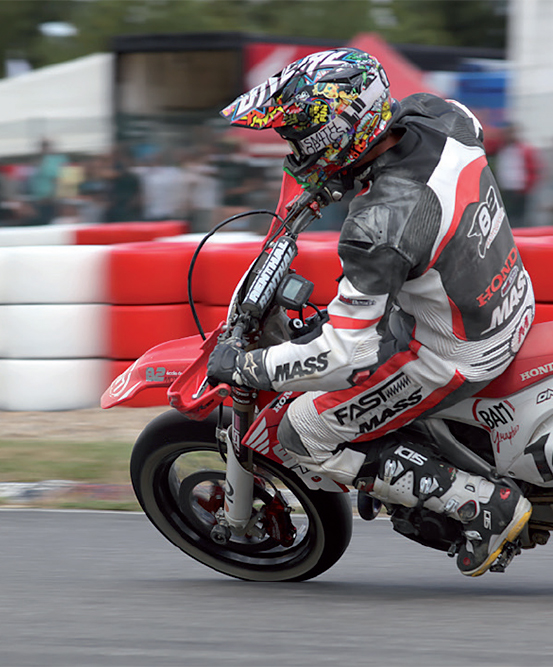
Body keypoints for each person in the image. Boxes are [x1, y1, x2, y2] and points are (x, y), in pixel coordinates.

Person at [208, 48, 536, 577]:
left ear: (333, 132)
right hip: (505, 295)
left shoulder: (379, 226)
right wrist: (360, 172)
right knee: (351, 322)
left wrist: (248, 367)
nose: (291, 150)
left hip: (456, 351)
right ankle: (401, 460)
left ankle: (482, 505)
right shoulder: (441, 114)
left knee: (303, 430)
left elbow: (346, 352)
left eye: (296, 137)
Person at [495, 124, 542, 227]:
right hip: (505, 188)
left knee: (519, 217)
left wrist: (528, 185)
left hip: (519, 189)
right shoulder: (501, 148)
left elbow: (533, 168)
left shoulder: (523, 149)